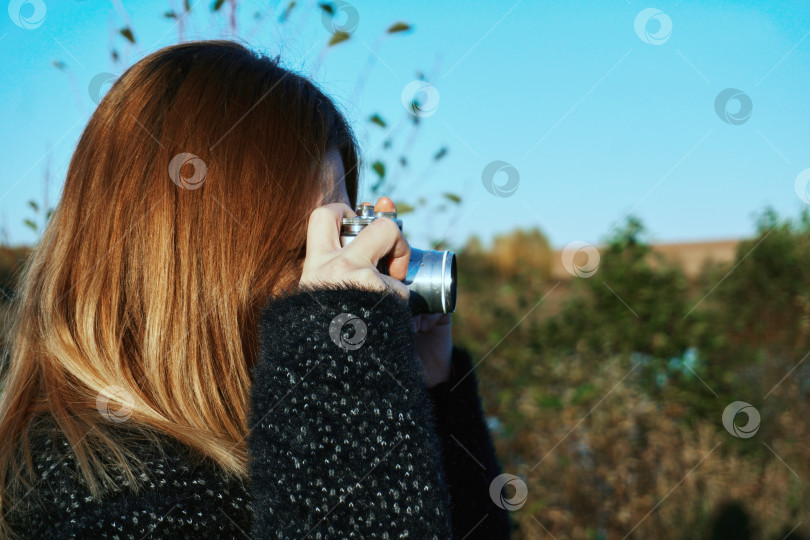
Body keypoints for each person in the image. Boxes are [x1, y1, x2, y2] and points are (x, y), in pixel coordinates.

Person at [0, 40, 511, 538]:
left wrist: (427, 398)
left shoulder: (239, 452)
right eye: (305, 250)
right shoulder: (124, 508)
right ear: (198, 265)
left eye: (340, 243)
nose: (333, 273)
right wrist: (343, 377)